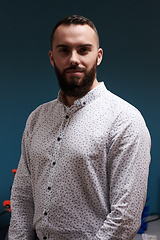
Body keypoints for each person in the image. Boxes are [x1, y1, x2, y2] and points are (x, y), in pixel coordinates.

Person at [8, 15, 151, 240]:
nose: (73, 59)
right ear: (52, 57)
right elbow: (22, 196)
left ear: (99, 56)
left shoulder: (125, 119)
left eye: (84, 50)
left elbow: (126, 217)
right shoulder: (37, 118)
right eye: (64, 50)